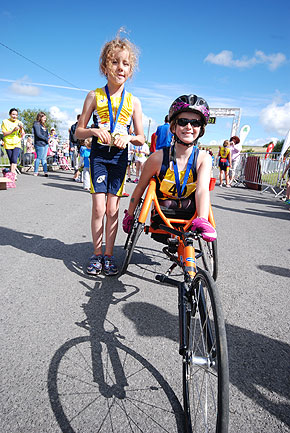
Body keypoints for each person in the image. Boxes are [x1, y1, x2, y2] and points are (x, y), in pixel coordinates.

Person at [75, 35, 144, 276]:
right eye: (115, 62)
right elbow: (78, 131)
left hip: (119, 159)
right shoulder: (94, 95)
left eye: (125, 64)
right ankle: (96, 254)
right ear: (105, 67)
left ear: (130, 69)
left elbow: (142, 137)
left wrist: (129, 138)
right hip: (98, 157)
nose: (120, 68)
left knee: (113, 210)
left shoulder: (134, 101)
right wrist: (94, 131)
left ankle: (108, 255)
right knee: (98, 208)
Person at [123, 94, 217, 243]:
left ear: (201, 128)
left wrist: (203, 219)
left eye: (195, 123)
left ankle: (202, 222)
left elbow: (202, 190)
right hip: (163, 210)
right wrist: (130, 214)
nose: (189, 127)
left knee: (201, 194)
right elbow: (140, 187)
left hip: (190, 210)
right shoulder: (157, 158)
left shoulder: (204, 158)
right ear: (173, 126)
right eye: (183, 122)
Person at [1, 108, 25, 180]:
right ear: (10, 114)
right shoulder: (5, 122)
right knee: (11, 159)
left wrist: (21, 129)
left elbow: (22, 133)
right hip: (8, 143)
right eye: (13, 114)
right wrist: (12, 131)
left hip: (16, 143)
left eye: (16, 115)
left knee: (14, 159)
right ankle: (12, 172)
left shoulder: (19, 122)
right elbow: (4, 133)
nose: (14, 116)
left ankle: (12, 174)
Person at [33, 112, 49, 176]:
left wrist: (48, 140)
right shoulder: (36, 124)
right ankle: (36, 171)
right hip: (39, 143)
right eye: (44, 117)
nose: (45, 119)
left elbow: (46, 134)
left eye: (45, 118)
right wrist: (46, 139)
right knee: (39, 157)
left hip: (45, 144)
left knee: (44, 158)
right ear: (40, 117)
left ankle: (45, 171)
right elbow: (38, 134)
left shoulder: (44, 125)